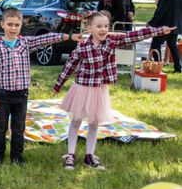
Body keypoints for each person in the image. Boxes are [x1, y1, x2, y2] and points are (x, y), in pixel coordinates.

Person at [55, 11, 174, 170]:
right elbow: (70, 66)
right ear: (89, 28)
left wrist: (159, 30)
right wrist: (59, 84)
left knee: (94, 123)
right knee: (76, 120)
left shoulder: (111, 42)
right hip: (82, 87)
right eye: (99, 26)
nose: (103, 29)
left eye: (106, 26)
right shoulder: (82, 46)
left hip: (99, 89)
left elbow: (134, 35)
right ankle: (71, 155)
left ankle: (89, 156)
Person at [0, 7, 82, 167]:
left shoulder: (25, 43)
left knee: (19, 128)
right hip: (2, 95)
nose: (13, 28)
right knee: (0, 128)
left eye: (16, 25)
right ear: (2, 24)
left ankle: (17, 157)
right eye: (9, 24)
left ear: (21, 25)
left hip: (21, 95)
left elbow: (48, 38)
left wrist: (69, 36)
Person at [148, 0, 182, 73]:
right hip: (176, 26)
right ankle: (178, 68)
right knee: (172, 45)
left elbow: (160, 11)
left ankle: (158, 65)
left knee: (155, 44)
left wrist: (151, 22)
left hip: (165, 26)